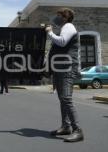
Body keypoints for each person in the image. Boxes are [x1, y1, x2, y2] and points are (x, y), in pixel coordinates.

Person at [46, 8, 84, 142]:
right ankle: (66, 126)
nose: (56, 18)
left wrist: (49, 32)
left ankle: (77, 130)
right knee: (62, 98)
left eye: (58, 16)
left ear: (65, 17)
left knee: (66, 98)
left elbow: (62, 41)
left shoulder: (69, 26)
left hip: (67, 68)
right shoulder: (63, 27)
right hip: (60, 68)